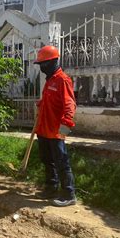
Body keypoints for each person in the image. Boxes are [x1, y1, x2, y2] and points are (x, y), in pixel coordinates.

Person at [34, 45, 77, 207]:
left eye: (43, 64)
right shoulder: (50, 80)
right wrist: (41, 103)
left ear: (52, 62)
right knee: (47, 159)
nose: (41, 68)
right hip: (44, 129)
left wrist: (64, 131)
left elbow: (70, 106)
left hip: (56, 132)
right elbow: (51, 100)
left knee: (61, 161)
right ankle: (51, 188)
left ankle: (69, 194)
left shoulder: (62, 80)